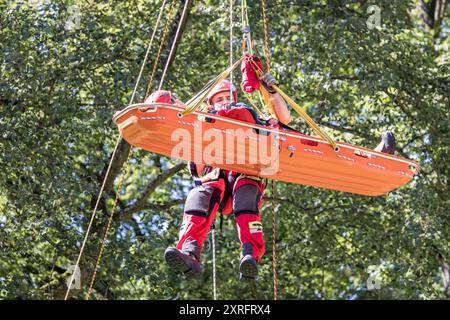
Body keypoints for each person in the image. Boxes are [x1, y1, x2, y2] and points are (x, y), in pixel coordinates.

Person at [162, 72, 396, 281]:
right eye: (219, 100)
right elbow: (192, 142)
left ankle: (250, 255)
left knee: (246, 198)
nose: (224, 103)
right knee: (199, 196)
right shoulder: (203, 123)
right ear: (210, 104)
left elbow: (284, 119)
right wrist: (173, 108)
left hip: (246, 174)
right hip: (218, 188)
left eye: (227, 98)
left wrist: (270, 90)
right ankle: (190, 252)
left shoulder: (249, 115)